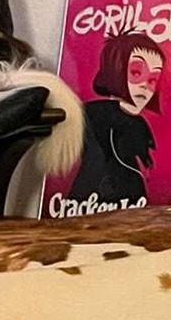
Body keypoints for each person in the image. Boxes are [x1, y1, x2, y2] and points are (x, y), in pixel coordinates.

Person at [65, 31, 164, 207]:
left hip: (132, 214)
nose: (144, 86)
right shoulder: (93, 115)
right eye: (135, 73)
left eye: (152, 80)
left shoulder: (138, 125)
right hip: (89, 207)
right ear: (114, 68)